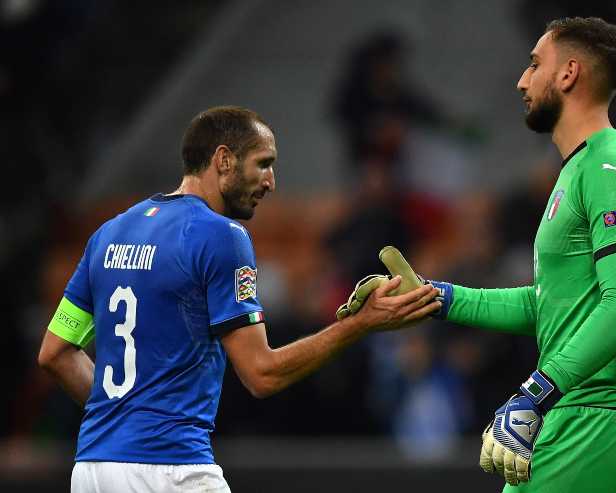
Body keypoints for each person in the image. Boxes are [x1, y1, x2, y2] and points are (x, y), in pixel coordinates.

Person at [37, 106, 441, 493]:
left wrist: (122, 420)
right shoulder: (220, 236)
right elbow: (262, 374)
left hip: (92, 469)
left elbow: (55, 352)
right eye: (263, 163)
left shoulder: (109, 233)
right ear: (224, 160)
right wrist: (361, 323)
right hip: (171, 469)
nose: (271, 182)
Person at [424, 17, 616, 492]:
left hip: (597, 423)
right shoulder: (582, 168)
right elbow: (554, 306)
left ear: (567, 74)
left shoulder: (611, 167)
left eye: (534, 64)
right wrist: (439, 298)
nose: (522, 80)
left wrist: (536, 392)